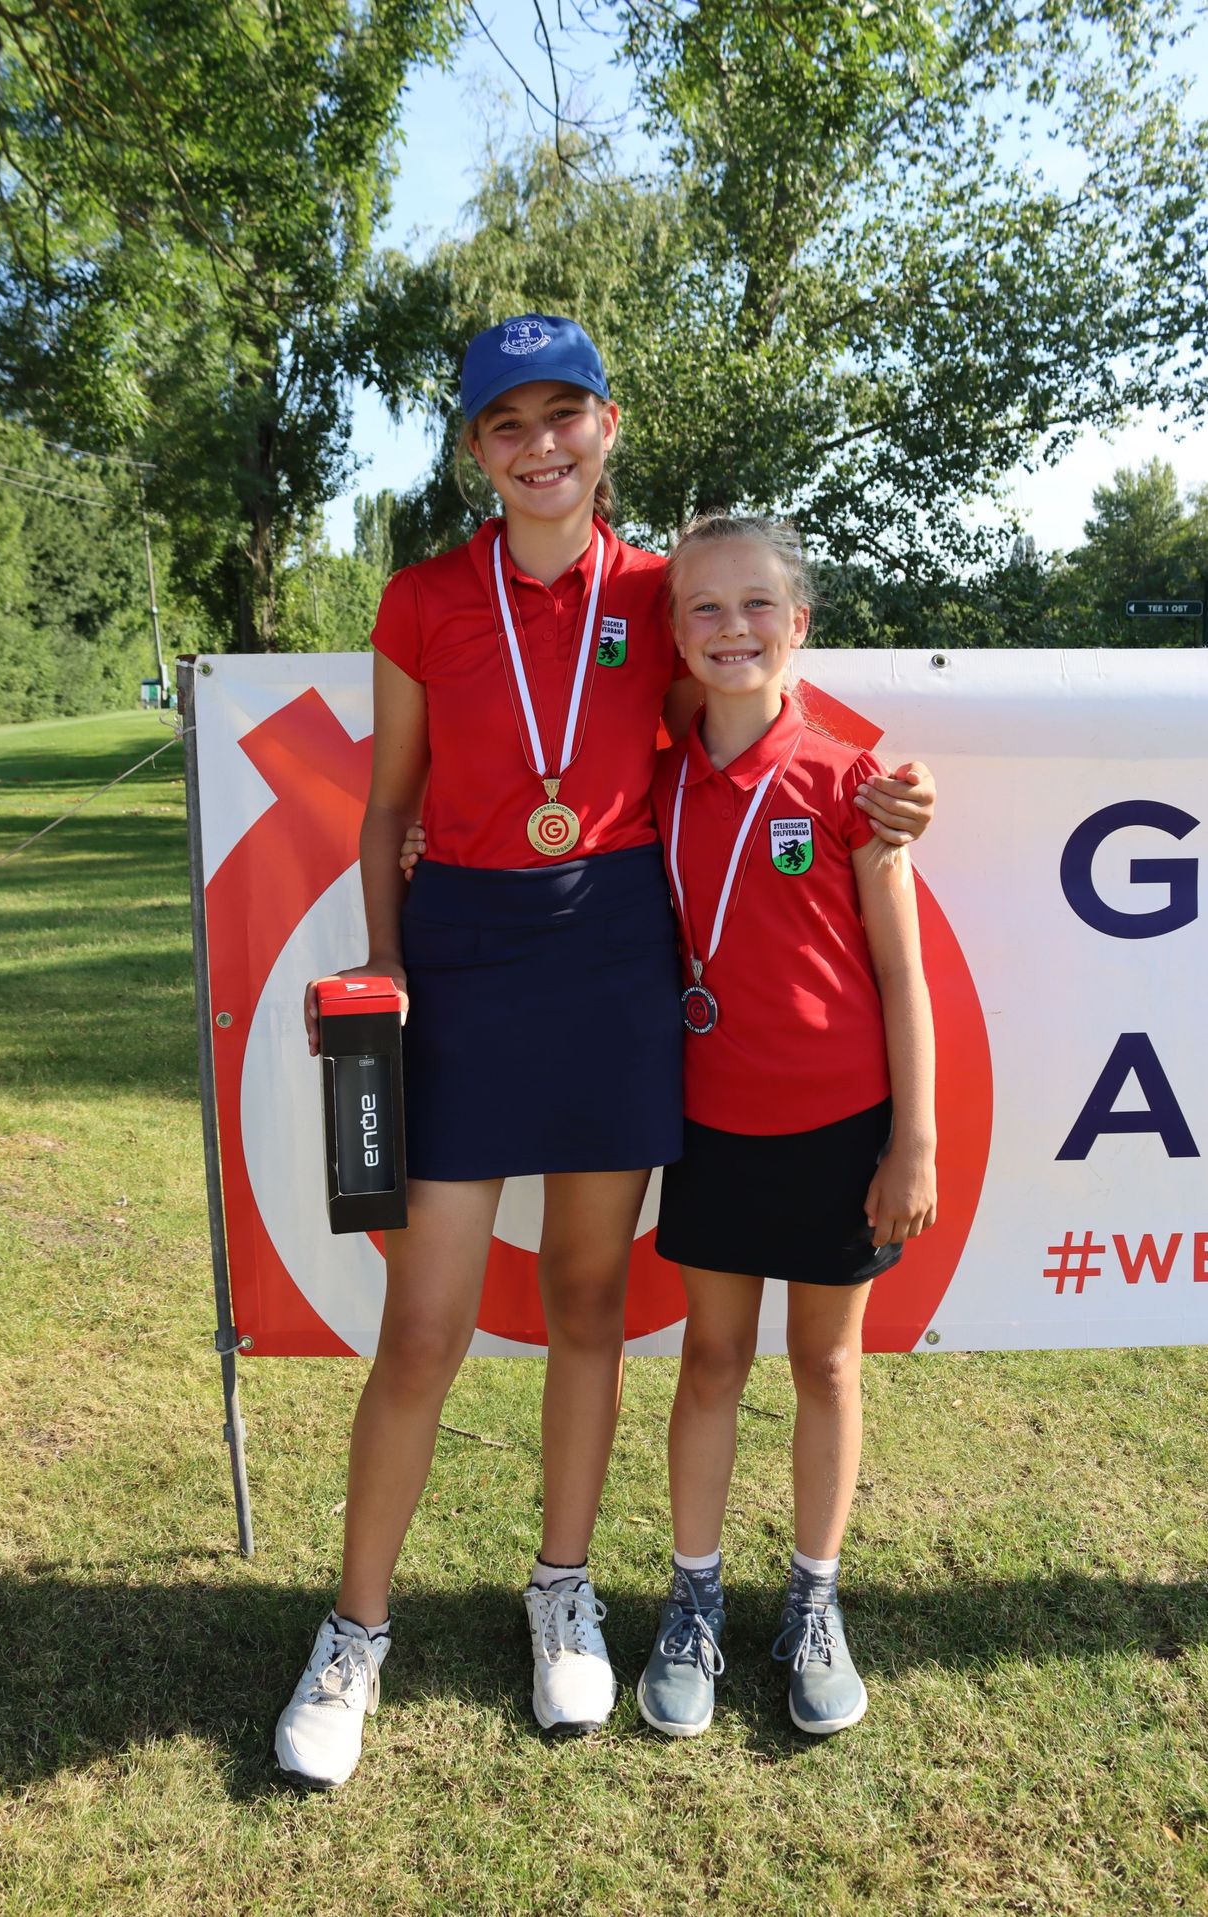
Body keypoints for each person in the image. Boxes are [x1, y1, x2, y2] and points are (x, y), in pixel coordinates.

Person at [274, 315, 936, 1788]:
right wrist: (388, 959)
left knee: (585, 1298)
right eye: (505, 426)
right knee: (426, 1327)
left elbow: (771, 701)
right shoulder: (423, 597)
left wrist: (896, 788)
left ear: (608, 425)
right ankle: (353, 1633)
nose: (538, 446)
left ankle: (560, 1590)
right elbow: (385, 808)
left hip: (617, 960)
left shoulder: (662, 587)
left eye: (562, 414)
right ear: (472, 452)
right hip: (464, 957)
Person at [633, 513, 937, 1743]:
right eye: (703, 609)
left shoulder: (855, 790)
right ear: (675, 636)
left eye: (758, 606)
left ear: (799, 628)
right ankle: (693, 1596)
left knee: (824, 1363)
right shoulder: (651, 781)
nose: (732, 629)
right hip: (709, 1125)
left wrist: (912, 1141)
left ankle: (813, 1598)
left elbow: (901, 975)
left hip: (839, 1128)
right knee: (710, 1362)